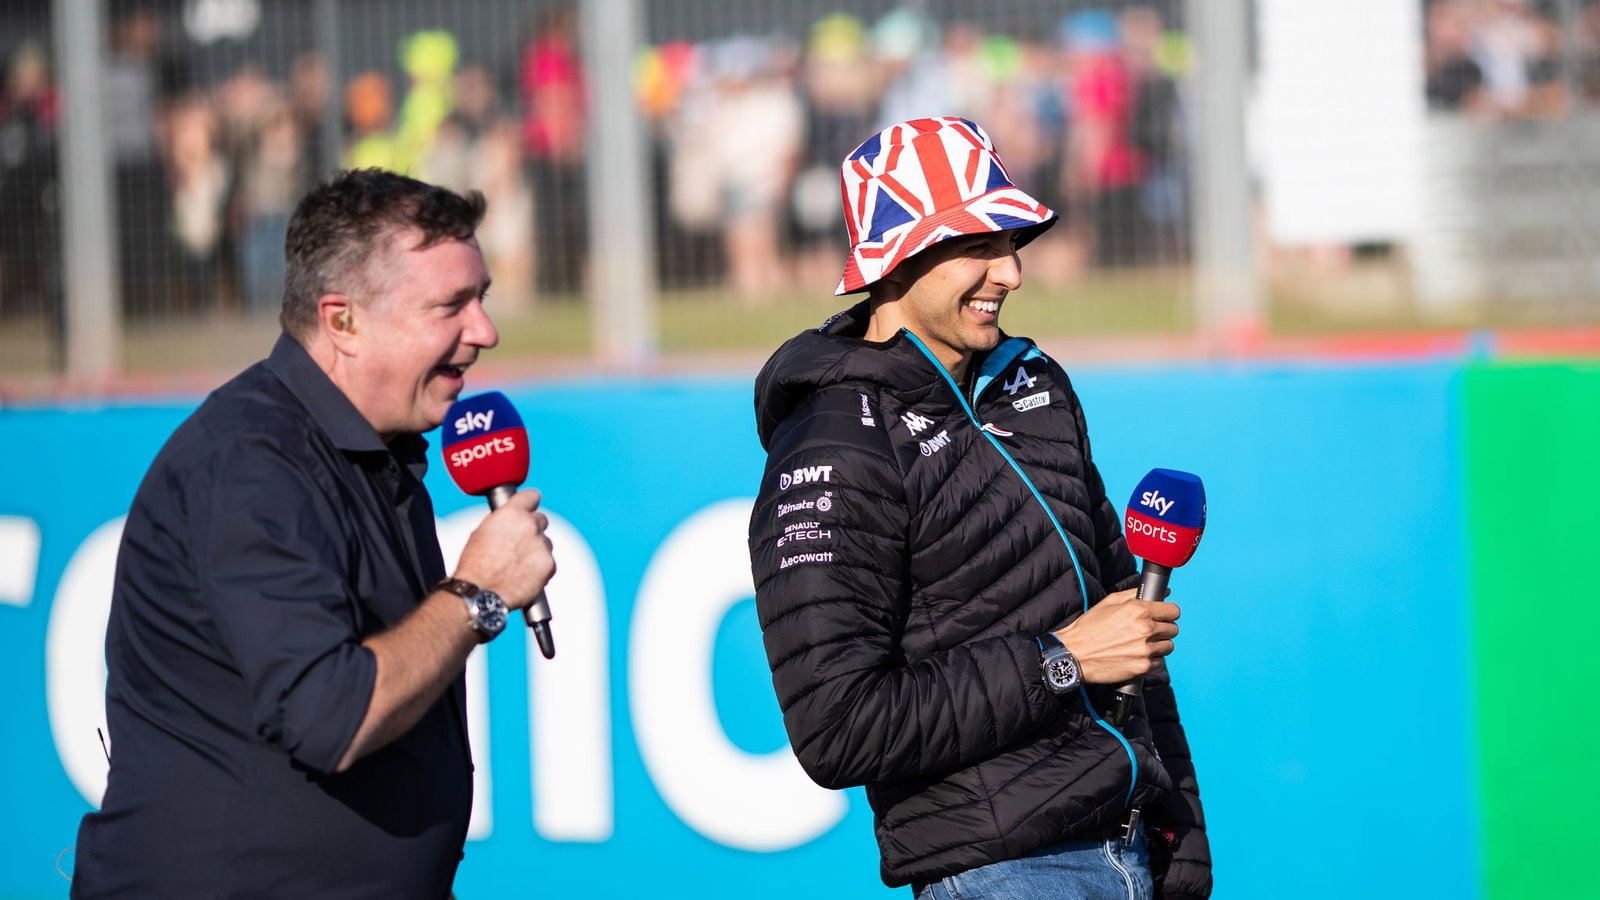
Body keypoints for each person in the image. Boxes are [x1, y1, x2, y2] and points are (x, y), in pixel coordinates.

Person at [748, 117, 1210, 900]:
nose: (1012, 272)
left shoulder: (1037, 384)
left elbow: (1125, 638)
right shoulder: (834, 438)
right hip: (997, 874)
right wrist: (1059, 661)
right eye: (979, 244)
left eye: (1013, 242)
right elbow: (836, 729)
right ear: (895, 259)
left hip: (1128, 851)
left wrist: (1183, 853)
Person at [71, 169, 556, 898]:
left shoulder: (373, 450)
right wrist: (476, 593)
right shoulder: (250, 463)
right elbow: (333, 717)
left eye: (481, 298)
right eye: (451, 305)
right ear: (342, 321)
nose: (484, 331)